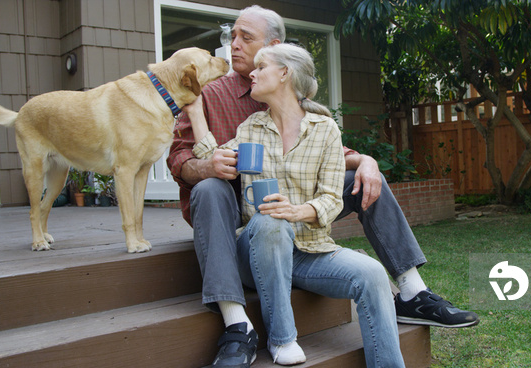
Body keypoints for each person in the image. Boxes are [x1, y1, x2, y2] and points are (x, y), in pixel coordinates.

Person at [167, 5, 479, 367]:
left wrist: (366, 161)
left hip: (300, 222)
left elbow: (325, 152)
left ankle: (412, 291)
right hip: (238, 212)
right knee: (217, 191)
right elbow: (181, 158)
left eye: (245, 38)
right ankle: (239, 324)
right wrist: (206, 164)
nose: (233, 45)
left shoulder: (312, 117)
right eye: (231, 36)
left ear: (278, 55)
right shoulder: (224, 104)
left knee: (364, 178)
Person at [190, 42, 405, 367]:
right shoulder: (251, 130)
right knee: (271, 220)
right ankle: (281, 339)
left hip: (309, 251)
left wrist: (298, 211)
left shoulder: (325, 130)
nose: (252, 73)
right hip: (256, 253)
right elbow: (212, 158)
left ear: (284, 74)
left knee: (373, 274)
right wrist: (193, 110)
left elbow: (333, 199)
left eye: (262, 67)